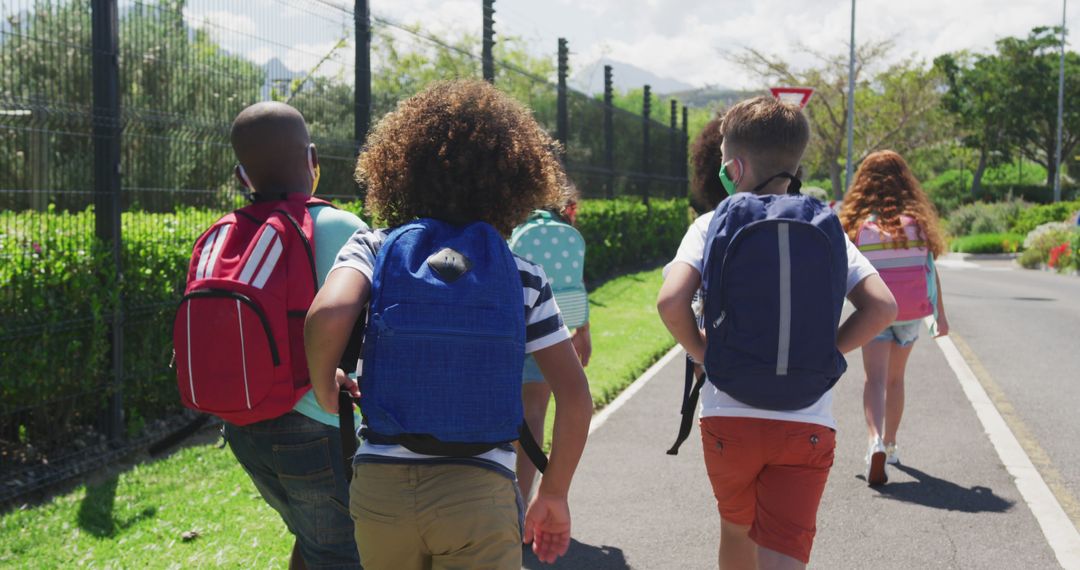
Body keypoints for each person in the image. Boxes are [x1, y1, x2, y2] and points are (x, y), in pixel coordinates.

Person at [304, 80, 593, 570]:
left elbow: (328, 315)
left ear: (397, 170)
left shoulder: (374, 249)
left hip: (382, 491)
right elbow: (576, 398)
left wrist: (324, 383)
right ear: (514, 183)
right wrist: (554, 494)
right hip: (479, 494)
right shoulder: (521, 273)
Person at [657, 96, 897, 569]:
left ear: (736, 165)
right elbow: (883, 307)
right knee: (784, 552)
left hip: (728, 412)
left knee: (735, 530)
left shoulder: (711, 225)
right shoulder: (825, 227)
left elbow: (670, 301)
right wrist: (827, 351)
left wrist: (702, 351)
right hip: (806, 417)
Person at [220, 102, 366, 569]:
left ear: (243, 176)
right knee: (343, 555)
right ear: (313, 159)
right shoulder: (343, 227)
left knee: (312, 538)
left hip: (243, 426)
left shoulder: (228, 237)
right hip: (317, 427)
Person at [838, 150, 950, 485]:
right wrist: (940, 316)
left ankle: (873, 441)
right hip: (909, 314)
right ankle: (891, 443)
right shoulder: (917, 225)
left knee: (874, 380)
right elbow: (930, 271)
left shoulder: (859, 226)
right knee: (896, 381)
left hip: (873, 312)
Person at [510, 183, 592, 504]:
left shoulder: (510, 220)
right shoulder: (563, 230)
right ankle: (522, 504)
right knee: (535, 415)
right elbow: (574, 282)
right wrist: (583, 331)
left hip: (511, 330)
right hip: (551, 334)